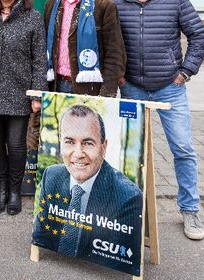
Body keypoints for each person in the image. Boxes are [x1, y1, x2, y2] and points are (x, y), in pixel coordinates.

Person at [109, 0, 204, 241]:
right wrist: (119, 75)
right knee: (129, 151)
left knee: (183, 149)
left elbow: (199, 36)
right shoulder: (115, 1)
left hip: (170, 87)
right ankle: (128, 209)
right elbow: (108, 42)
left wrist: (185, 71)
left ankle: (190, 210)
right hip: (132, 88)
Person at [32, 105, 142, 274]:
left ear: (103, 147)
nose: (78, 153)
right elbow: (41, 235)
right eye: (69, 142)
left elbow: (116, 262)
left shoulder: (128, 198)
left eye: (88, 143)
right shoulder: (51, 175)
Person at [0, 0, 47, 216]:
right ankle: (1, 190)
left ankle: (15, 191)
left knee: (16, 145)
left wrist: (37, 94)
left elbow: (40, 59)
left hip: (20, 90)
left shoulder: (32, 17)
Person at [43, 0, 125, 96]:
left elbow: (115, 53)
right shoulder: (50, 5)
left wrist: (107, 92)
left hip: (90, 87)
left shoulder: (103, 6)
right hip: (56, 85)